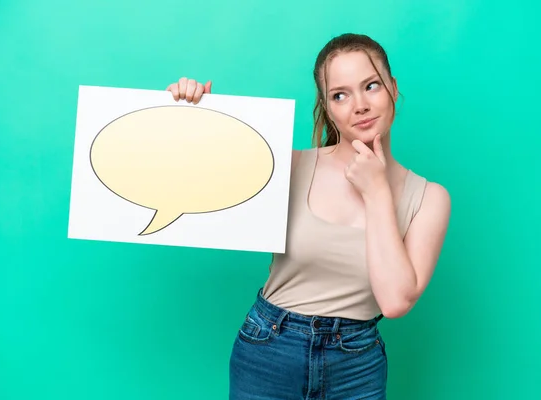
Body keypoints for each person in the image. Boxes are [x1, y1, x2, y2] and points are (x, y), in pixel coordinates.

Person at [166, 33, 451, 400]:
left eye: (371, 86)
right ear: (327, 107)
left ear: (393, 89)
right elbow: (195, 169)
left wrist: (377, 190)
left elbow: (395, 301)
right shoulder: (290, 165)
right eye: (340, 95)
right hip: (268, 349)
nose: (360, 105)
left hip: (356, 365)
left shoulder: (429, 198)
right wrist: (190, 108)